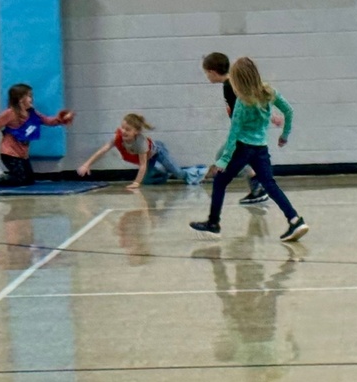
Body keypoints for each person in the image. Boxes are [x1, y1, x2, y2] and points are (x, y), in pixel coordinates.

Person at [190, 57, 309, 242]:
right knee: (270, 184)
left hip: (242, 147)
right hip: (260, 148)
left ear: (238, 80)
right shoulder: (268, 92)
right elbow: (289, 111)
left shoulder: (242, 103)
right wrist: (284, 135)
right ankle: (295, 220)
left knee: (220, 182)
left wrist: (223, 159)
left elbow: (234, 133)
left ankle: (213, 224)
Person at [203, 51, 283, 205]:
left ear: (212, 72)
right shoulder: (231, 83)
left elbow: (250, 101)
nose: (207, 77)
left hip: (243, 133)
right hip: (244, 132)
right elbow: (254, 98)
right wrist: (271, 116)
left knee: (222, 156)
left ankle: (257, 185)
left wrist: (269, 116)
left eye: (207, 73)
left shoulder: (230, 86)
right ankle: (257, 188)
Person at [0, 83, 73, 187]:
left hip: (22, 154)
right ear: (20, 99)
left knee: (29, 180)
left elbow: (47, 121)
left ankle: (0, 175)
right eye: (28, 96)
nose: (31, 99)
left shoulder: (32, 113)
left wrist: (60, 119)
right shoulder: (10, 114)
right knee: (21, 179)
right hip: (9, 154)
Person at [76, 113, 204, 189]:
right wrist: (87, 164)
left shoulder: (140, 142)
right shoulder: (118, 138)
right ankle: (164, 173)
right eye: (123, 128)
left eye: (128, 129)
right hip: (149, 158)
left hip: (158, 152)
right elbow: (102, 150)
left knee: (179, 175)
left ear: (136, 132)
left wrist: (136, 183)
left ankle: (200, 170)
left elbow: (142, 165)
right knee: (147, 182)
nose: (124, 131)